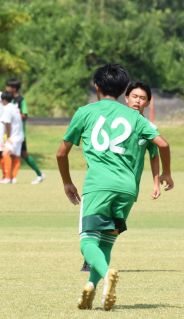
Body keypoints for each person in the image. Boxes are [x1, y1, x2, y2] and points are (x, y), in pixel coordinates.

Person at [56, 64, 174, 311]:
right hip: (128, 189)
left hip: (99, 185)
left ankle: (106, 272)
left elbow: (61, 152)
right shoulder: (134, 117)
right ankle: (91, 286)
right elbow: (162, 144)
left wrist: (67, 181)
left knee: (87, 242)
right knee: (106, 242)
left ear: (96, 87)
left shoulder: (85, 112)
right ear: (124, 91)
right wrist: (166, 173)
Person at [80, 81, 162, 272]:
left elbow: (154, 155)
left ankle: (97, 261)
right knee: (99, 222)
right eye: (134, 96)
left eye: (142, 98)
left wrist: (156, 182)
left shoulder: (148, 127)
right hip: (104, 181)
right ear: (126, 98)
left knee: (110, 227)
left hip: (128, 185)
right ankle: (93, 261)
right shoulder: (114, 122)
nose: (138, 101)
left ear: (148, 102)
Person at [5, 78, 45, 184]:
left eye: (8, 86)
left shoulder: (21, 100)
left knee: (23, 154)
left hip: (18, 134)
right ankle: (10, 177)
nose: (6, 88)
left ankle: (39, 174)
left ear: (14, 88)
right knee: (15, 154)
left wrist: (15, 114)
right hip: (11, 134)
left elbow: (25, 115)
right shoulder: (8, 99)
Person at [0, 91, 24, 184]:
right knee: (15, 156)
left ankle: (8, 177)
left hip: (13, 136)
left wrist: (8, 136)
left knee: (5, 154)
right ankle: (13, 177)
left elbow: (7, 123)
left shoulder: (7, 108)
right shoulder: (15, 107)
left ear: (4, 100)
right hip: (19, 135)